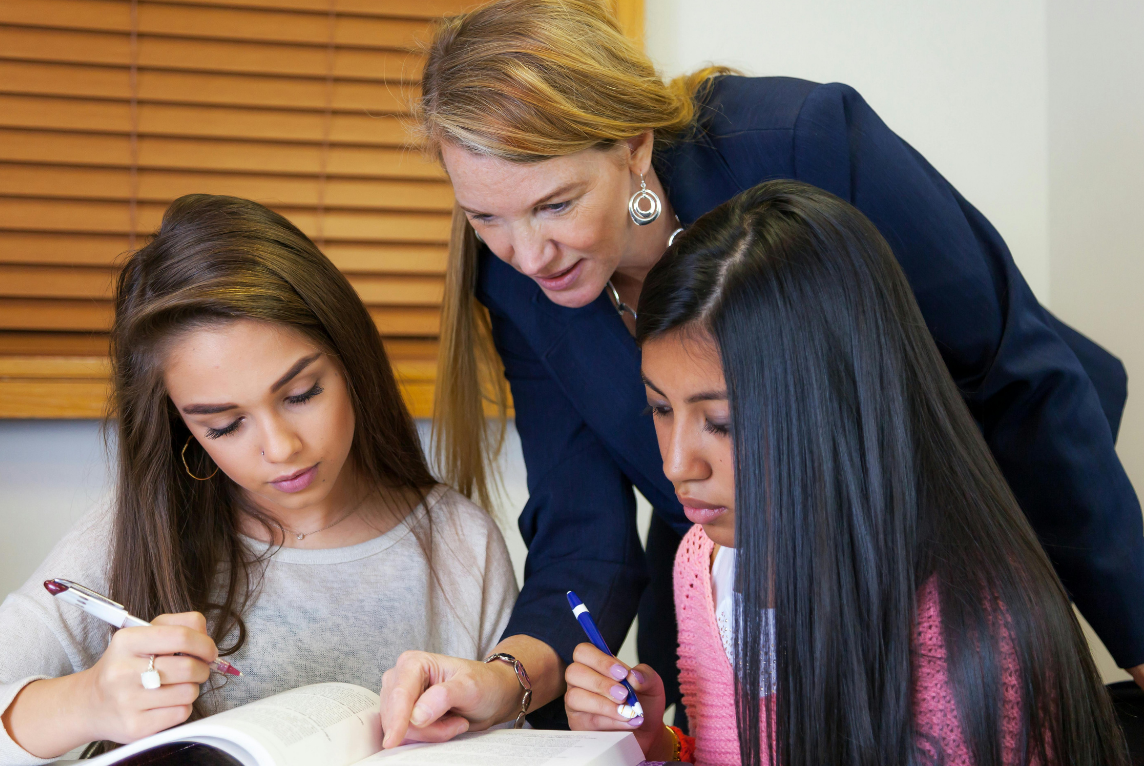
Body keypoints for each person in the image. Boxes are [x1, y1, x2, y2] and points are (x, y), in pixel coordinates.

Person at [377, 0, 1144, 742]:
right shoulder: (512, 278)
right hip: (731, 588)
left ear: (634, 146)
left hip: (936, 532)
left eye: (556, 204)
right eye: (485, 217)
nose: (527, 254)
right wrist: (504, 678)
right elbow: (583, 533)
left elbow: (1015, 384)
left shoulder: (801, 143)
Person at [563, 180, 1129, 766]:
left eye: (725, 424)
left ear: (837, 406)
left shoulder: (969, 639)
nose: (677, 463)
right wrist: (653, 744)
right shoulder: (701, 564)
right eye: (660, 409)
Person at [0, 195, 517, 764]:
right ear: (181, 426)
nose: (281, 448)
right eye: (224, 425)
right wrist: (85, 701)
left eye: (302, 394)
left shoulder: (461, 545)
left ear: (351, 361)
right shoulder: (131, 534)